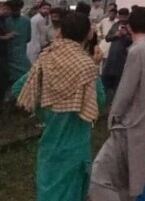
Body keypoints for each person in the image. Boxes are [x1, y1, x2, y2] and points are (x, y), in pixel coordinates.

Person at [14, 12, 104, 201]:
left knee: (48, 193)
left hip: (50, 145)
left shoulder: (46, 60)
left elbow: (19, 89)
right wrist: (95, 66)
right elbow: (98, 102)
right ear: (89, 34)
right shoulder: (86, 66)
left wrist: (44, 108)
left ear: (59, 32)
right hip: (75, 148)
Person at [90, 7, 145, 200]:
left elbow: (125, 91)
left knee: (99, 178)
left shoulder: (138, 51)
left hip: (127, 125)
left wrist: (114, 117)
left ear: (129, 26)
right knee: (127, 179)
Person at [101, 8, 132, 102]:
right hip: (111, 57)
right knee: (105, 79)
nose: (122, 18)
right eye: (120, 16)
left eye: (124, 16)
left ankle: (116, 101)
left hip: (122, 58)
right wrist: (116, 35)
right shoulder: (115, 25)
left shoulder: (130, 27)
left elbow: (132, 41)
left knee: (118, 81)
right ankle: (104, 100)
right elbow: (107, 38)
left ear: (127, 16)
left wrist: (126, 35)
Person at [5, 0, 31, 84]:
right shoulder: (26, 21)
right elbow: (28, 38)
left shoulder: (5, 20)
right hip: (19, 55)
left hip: (7, 56)